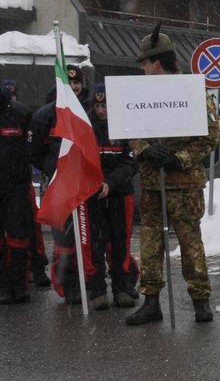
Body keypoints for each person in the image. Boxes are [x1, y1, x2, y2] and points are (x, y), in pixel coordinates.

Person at [125, 25, 218, 326]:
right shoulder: (140, 94)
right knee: (150, 243)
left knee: (191, 244)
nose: (142, 68)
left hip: (185, 183)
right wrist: (144, 150)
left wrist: (179, 158)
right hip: (153, 182)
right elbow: (130, 129)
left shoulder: (193, 91)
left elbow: (210, 136)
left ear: (157, 62)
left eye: (144, 63)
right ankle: (151, 302)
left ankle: (200, 301)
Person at [28, 62, 90, 303]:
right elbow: (34, 153)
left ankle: (90, 283)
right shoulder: (45, 115)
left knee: (87, 237)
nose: (73, 87)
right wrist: (56, 172)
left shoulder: (90, 112)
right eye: (68, 82)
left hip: (85, 185)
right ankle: (68, 284)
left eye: (76, 83)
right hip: (58, 186)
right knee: (64, 239)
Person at [83, 83, 138, 309]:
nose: (102, 110)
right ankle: (97, 290)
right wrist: (96, 183)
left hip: (119, 193)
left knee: (119, 244)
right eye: (98, 105)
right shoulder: (85, 128)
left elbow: (132, 161)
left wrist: (110, 183)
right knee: (94, 245)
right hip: (93, 195)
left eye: (105, 105)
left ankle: (122, 288)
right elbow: (81, 160)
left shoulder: (126, 127)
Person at [0, 78, 34, 303]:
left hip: (17, 186)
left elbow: (31, 148)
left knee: (18, 237)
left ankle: (19, 284)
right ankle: (2, 286)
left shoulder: (22, 113)